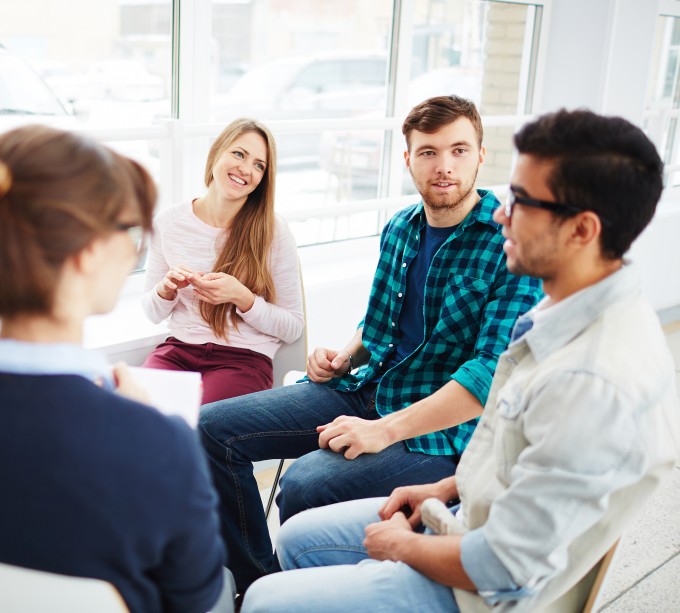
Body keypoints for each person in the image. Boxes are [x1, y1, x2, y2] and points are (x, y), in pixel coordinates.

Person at [241, 108, 680, 613]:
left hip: (477, 592)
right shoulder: (567, 309)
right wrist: (446, 487)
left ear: (582, 230)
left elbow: (506, 568)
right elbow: (517, 458)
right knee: (296, 538)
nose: (500, 214)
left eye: (521, 202)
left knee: (263, 601)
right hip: (465, 511)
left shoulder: (592, 379)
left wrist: (405, 546)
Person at [0, 125, 231, 613]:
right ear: (88, 252)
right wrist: (147, 427)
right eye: (131, 231)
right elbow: (193, 599)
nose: (136, 249)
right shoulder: (158, 446)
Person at [199, 96, 544, 593]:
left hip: (439, 430)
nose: (443, 166)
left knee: (304, 484)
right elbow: (378, 323)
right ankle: (259, 586)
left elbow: (489, 373)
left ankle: (312, 594)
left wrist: (382, 430)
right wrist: (344, 355)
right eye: (427, 152)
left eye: (458, 151)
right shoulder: (401, 228)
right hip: (367, 388)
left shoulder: (508, 242)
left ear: (481, 156)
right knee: (212, 428)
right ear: (407, 160)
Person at [141, 118, 304, 404]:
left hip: (243, 360)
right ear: (217, 152)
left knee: (203, 426)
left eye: (258, 165)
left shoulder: (274, 232)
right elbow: (152, 313)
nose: (245, 169)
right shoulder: (169, 223)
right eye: (239, 154)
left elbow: (293, 327)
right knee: (134, 415)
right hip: (179, 352)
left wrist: (243, 299)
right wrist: (166, 290)